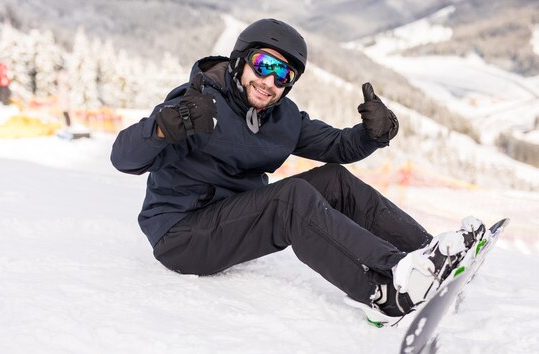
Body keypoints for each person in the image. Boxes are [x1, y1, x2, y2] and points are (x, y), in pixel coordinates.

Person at [110, 19, 485, 318]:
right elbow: (124, 158)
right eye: (264, 65)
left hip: (232, 220)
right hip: (182, 236)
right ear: (241, 61)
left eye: (283, 75)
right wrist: (162, 127)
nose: (270, 82)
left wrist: (373, 134)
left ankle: (431, 254)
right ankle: (388, 288)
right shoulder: (197, 105)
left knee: (333, 179)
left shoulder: (279, 117)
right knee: (291, 198)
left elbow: (338, 146)